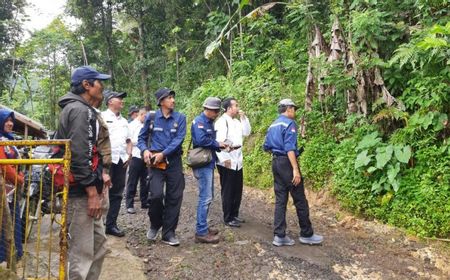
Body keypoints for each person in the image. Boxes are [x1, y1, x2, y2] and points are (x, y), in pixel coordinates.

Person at [56, 65, 110, 279]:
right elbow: (80, 155)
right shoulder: (79, 111)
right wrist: (91, 192)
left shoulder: (83, 110)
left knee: (99, 246)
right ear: (87, 85)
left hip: (86, 189)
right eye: (99, 82)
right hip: (81, 193)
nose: (102, 86)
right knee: (82, 253)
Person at [263, 99, 323, 246]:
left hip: (276, 163)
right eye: (294, 109)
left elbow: (266, 146)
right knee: (300, 199)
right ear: (288, 109)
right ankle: (306, 234)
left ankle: (279, 236)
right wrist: (295, 169)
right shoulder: (289, 124)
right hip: (287, 163)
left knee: (280, 199)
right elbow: (290, 148)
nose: (295, 112)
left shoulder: (273, 124)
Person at [137, 88, 186, 246]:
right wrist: (144, 150)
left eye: (173, 97)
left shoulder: (180, 118)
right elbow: (141, 138)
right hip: (155, 163)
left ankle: (168, 233)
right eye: (169, 98)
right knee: (156, 196)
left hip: (173, 162)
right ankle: (155, 224)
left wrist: (163, 154)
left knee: (174, 197)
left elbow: (178, 140)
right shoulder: (151, 118)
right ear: (161, 101)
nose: (173, 100)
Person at [191, 97, 229, 244]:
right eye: (216, 111)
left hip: (209, 161)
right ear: (209, 110)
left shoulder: (208, 122)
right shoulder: (199, 122)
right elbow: (201, 141)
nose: (217, 114)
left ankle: (203, 227)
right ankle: (201, 232)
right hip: (202, 163)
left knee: (208, 196)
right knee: (205, 197)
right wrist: (217, 143)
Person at [215, 97, 251, 227]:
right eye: (236, 105)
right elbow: (219, 142)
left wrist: (243, 118)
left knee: (237, 188)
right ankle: (228, 217)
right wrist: (225, 160)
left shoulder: (236, 122)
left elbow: (247, 132)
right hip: (227, 159)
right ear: (229, 108)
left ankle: (235, 214)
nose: (238, 107)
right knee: (228, 189)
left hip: (237, 159)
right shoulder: (221, 122)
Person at [101, 91, 131, 237]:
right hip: (106, 161)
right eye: (119, 99)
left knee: (117, 193)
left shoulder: (125, 121)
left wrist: (129, 154)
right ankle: (97, 225)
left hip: (121, 160)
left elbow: (128, 140)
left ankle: (111, 224)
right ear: (110, 101)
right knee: (101, 192)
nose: (122, 101)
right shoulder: (102, 117)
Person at [0, 109, 24, 265]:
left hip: (11, 191)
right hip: (4, 189)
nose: (10, 123)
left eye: (11, 120)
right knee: (4, 226)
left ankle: (12, 259)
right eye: (6, 120)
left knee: (12, 223)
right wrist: (19, 179)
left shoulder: (10, 140)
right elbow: (5, 166)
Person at [125, 107, 149, 214]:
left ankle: (144, 201)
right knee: (132, 180)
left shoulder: (146, 125)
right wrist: (140, 141)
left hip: (145, 155)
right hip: (135, 155)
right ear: (142, 115)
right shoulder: (132, 125)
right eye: (146, 116)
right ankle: (129, 204)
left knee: (145, 180)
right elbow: (128, 140)